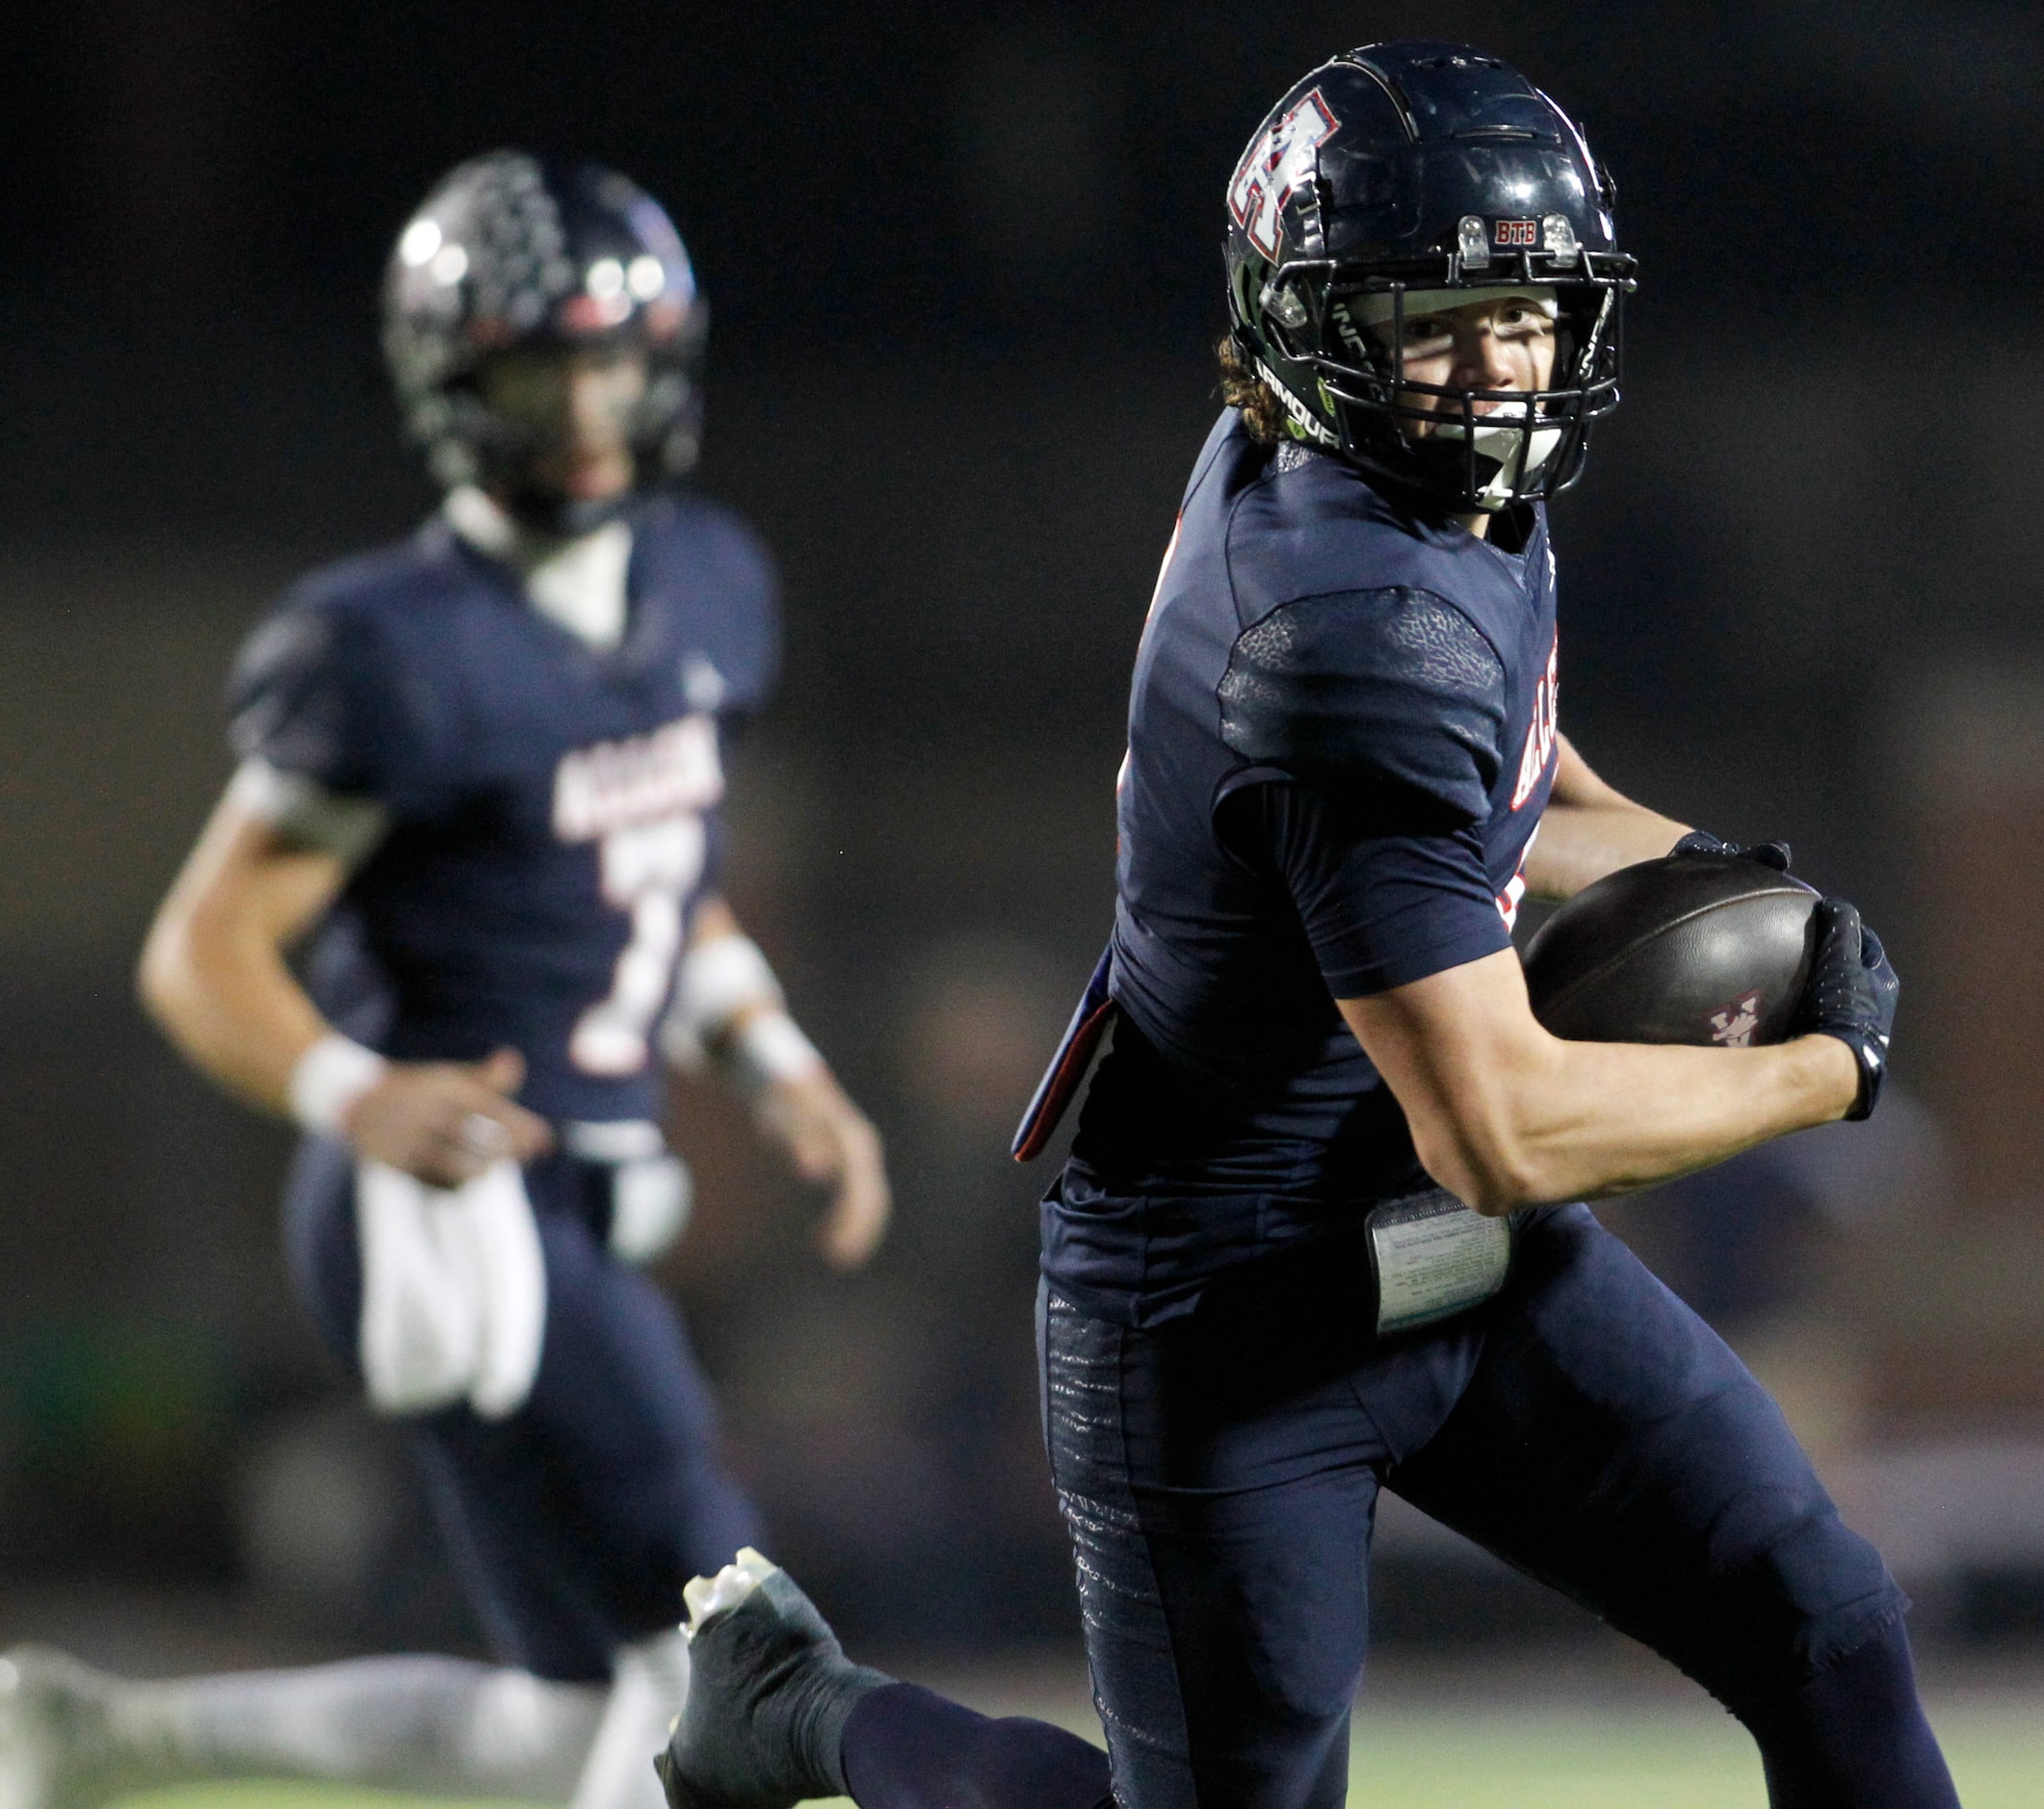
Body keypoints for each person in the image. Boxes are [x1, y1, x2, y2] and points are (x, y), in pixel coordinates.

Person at [654, 42, 1957, 1809]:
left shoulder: (1392, 476)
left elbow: (1511, 771)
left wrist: (1736, 877)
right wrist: (1822, 1067)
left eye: (1529, 307)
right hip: (1226, 1296)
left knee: (1825, 1627)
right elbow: (1498, 1128)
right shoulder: (1352, 627)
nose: (1501, 364)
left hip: (1424, 1240)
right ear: (1311, 322)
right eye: (1440, 314)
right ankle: (801, 1710)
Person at [0, 152, 887, 1809]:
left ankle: (108, 1737)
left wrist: (778, 1064)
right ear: (453, 383)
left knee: (569, 1717)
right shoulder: (389, 644)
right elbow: (199, 950)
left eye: (607, 362)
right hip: (457, 1200)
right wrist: (357, 1088)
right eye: (534, 370)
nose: (581, 410)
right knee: (736, 1647)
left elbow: (656, 883)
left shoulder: (712, 583)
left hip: (580, 1193)